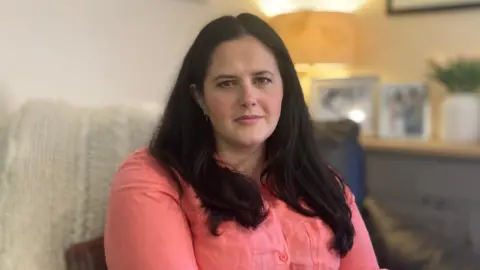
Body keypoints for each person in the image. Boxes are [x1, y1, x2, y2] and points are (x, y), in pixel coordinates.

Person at [104, 13, 384, 270]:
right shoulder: (151, 178)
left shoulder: (325, 184)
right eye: (227, 83)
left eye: (262, 80)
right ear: (199, 97)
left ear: (284, 90)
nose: (248, 98)